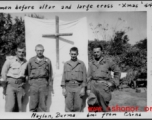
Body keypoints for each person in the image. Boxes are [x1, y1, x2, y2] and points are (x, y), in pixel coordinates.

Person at [87, 43, 121, 112]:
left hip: (104, 88)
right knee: (92, 108)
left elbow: (117, 71)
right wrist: (88, 88)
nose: (96, 54)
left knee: (104, 109)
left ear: (102, 52)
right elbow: (88, 77)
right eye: (94, 52)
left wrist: (113, 82)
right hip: (93, 87)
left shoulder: (108, 62)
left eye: (98, 52)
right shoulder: (91, 63)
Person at [1, 44, 28, 112]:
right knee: (10, 107)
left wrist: (24, 83)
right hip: (10, 85)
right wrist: (5, 83)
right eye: (19, 51)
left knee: (20, 108)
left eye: (22, 52)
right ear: (16, 52)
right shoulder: (10, 60)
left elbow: (27, 74)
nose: (21, 53)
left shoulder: (26, 62)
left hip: (20, 86)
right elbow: (3, 71)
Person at [27, 44, 53, 112]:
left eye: (41, 50)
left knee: (42, 104)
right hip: (34, 83)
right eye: (38, 50)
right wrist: (31, 83)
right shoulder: (31, 60)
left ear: (43, 51)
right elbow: (28, 72)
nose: (39, 52)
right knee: (33, 103)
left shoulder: (47, 61)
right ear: (35, 51)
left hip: (43, 83)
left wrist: (49, 84)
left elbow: (50, 74)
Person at [61, 47, 87, 112]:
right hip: (68, 87)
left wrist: (83, 89)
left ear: (77, 54)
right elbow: (63, 76)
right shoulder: (66, 64)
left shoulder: (81, 64)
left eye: (74, 54)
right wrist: (63, 88)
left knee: (78, 107)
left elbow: (84, 77)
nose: (73, 55)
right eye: (72, 54)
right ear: (69, 54)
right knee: (68, 107)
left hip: (78, 87)